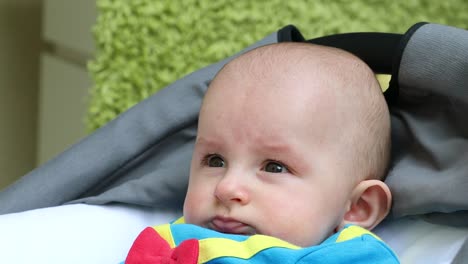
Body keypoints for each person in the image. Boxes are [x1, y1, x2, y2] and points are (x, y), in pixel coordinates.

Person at [123, 42, 399, 263]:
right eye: (215, 160)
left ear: (358, 207)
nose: (226, 187)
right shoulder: (167, 240)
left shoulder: (351, 257)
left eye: (274, 167)